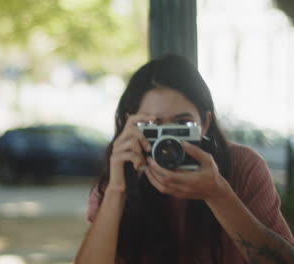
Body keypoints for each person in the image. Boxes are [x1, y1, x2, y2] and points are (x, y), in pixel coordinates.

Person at [74, 55, 294, 264]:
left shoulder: (242, 165)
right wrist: (116, 190)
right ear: (129, 125)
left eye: (183, 124)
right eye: (152, 126)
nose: (168, 140)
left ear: (205, 124)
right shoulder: (122, 173)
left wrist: (218, 194)